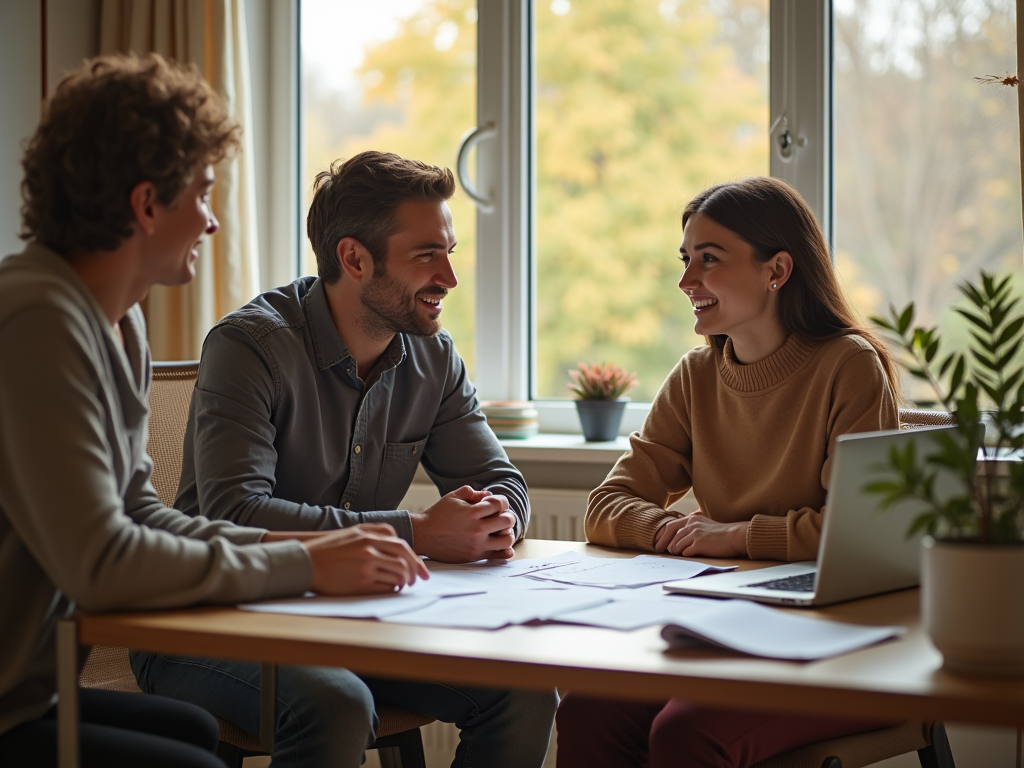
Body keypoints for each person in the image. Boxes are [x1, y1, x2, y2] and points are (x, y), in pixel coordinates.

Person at [0, 55, 427, 768]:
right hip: (16, 704)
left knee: (190, 735)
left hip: (28, 693)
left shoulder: (117, 324)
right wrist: (302, 567)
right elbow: (101, 563)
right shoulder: (37, 320)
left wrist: (310, 551)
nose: (211, 220)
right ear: (145, 205)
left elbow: (138, 512)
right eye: (200, 194)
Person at [129, 150, 559, 768]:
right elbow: (235, 511)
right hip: (212, 620)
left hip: (352, 619)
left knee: (522, 686)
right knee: (336, 704)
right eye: (426, 256)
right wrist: (416, 532)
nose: (449, 278)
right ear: (354, 258)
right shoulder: (250, 346)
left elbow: (498, 478)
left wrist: (495, 516)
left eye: (449, 253)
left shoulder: (432, 357)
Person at [555, 177, 900, 768]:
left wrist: (736, 535)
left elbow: (862, 536)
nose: (687, 281)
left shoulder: (850, 366)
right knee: (588, 708)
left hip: (842, 644)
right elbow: (606, 506)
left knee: (686, 734)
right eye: (685, 260)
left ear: (777, 269)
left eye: (708, 261)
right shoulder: (696, 375)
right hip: (725, 628)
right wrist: (677, 532)